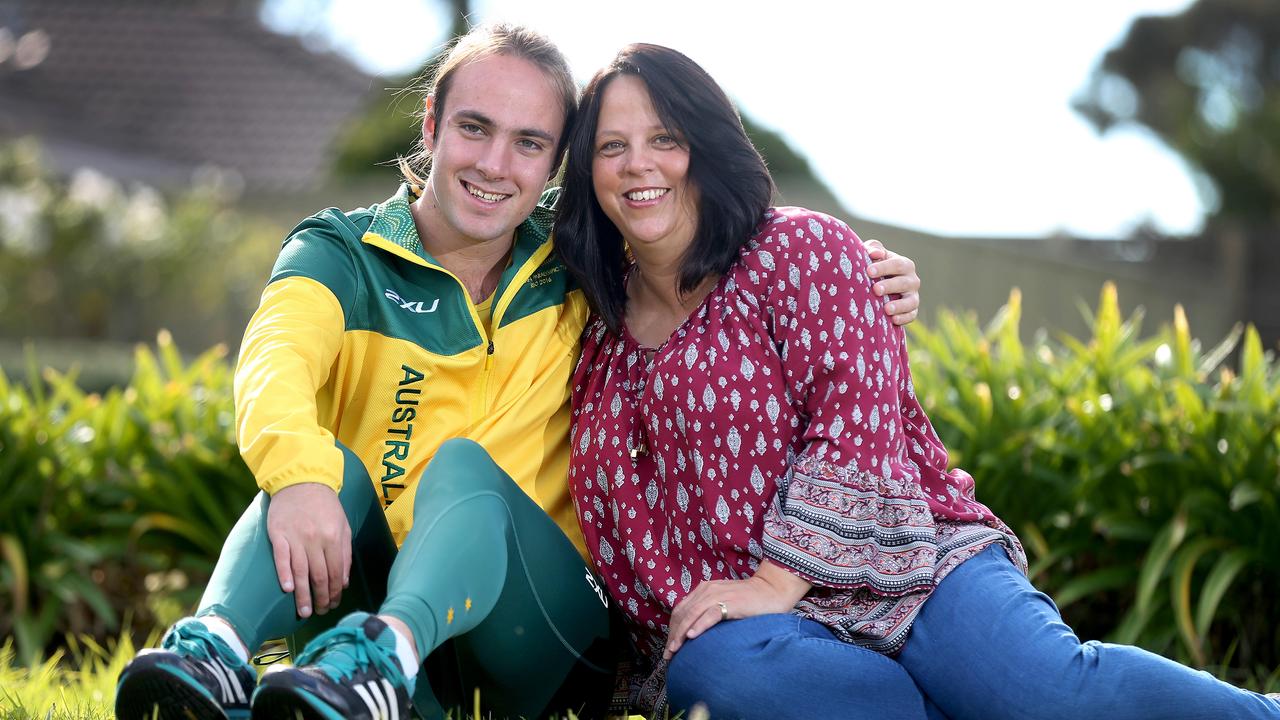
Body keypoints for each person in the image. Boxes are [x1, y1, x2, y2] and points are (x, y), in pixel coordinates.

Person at [113, 24, 924, 720]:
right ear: (431, 125)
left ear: (554, 164)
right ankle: (213, 652)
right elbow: (275, 361)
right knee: (328, 472)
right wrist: (297, 479)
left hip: (540, 636)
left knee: (464, 467)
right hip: (362, 636)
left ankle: (381, 659)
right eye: (474, 127)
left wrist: (863, 272)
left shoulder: (578, 261)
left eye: (530, 143)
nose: (496, 164)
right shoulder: (338, 253)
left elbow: (718, 246)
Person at [555, 43, 1280, 720]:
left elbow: (855, 427)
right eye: (611, 147)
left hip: (912, 569)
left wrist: (776, 581)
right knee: (718, 675)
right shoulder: (594, 325)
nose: (637, 165)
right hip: (762, 633)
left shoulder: (797, 251)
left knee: (1047, 692)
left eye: (665, 139)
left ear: (705, 147)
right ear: (588, 170)